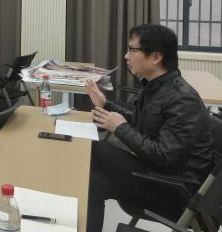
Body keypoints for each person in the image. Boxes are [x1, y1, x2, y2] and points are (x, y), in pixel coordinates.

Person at [86, 24, 213, 230]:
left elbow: (164, 155)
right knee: (93, 183)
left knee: (95, 148)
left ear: (155, 57)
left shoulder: (183, 99)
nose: (126, 56)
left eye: (132, 50)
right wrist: (106, 104)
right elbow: (142, 122)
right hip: (157, 174)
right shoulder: (155, 86)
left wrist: (120, 128)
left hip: (175, 190)